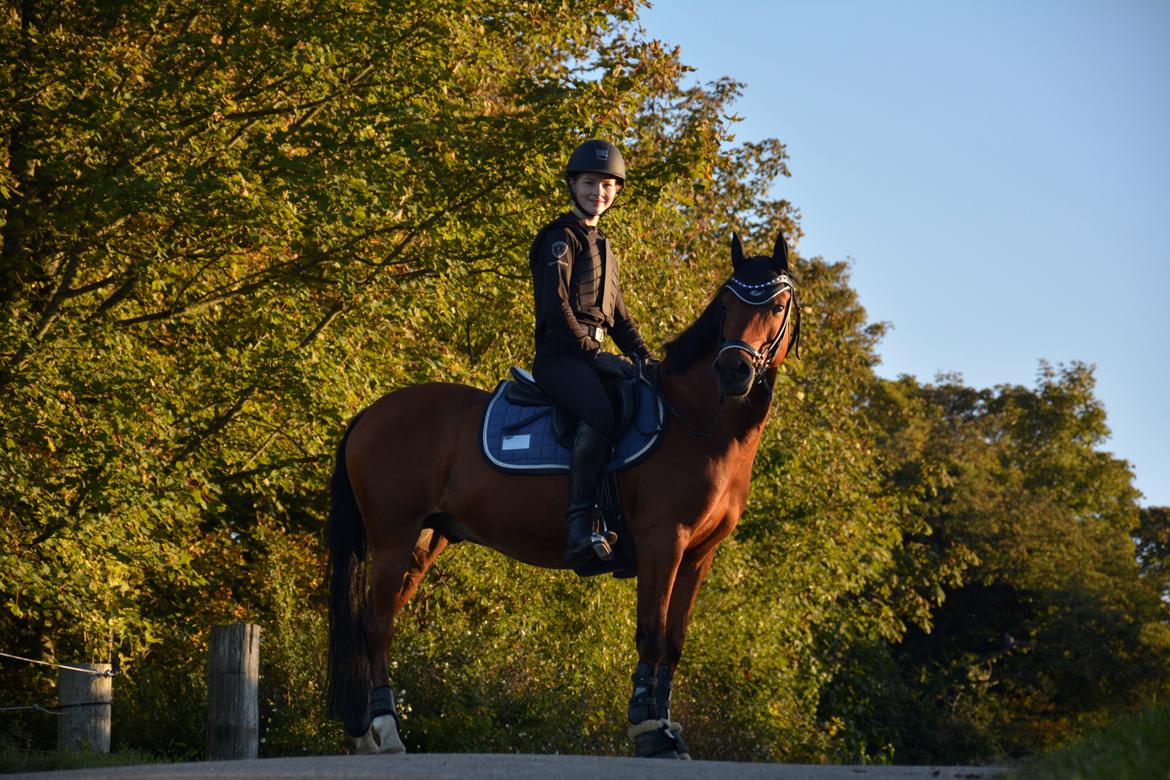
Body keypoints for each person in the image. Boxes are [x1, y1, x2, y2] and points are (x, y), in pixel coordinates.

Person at [528, 139, 652, 563]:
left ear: (616, 191)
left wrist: (644, 358)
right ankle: (579, 528)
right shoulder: (560, 239)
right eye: (588, 183)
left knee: (638, 399)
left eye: (606, 186)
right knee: (600, 412)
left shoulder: (604, 246)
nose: (597, 193)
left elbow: (617, 317)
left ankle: (618, 518)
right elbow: (555, 306)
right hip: (560, 358)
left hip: (589, 357)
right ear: (572, 185)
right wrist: (590, 352)